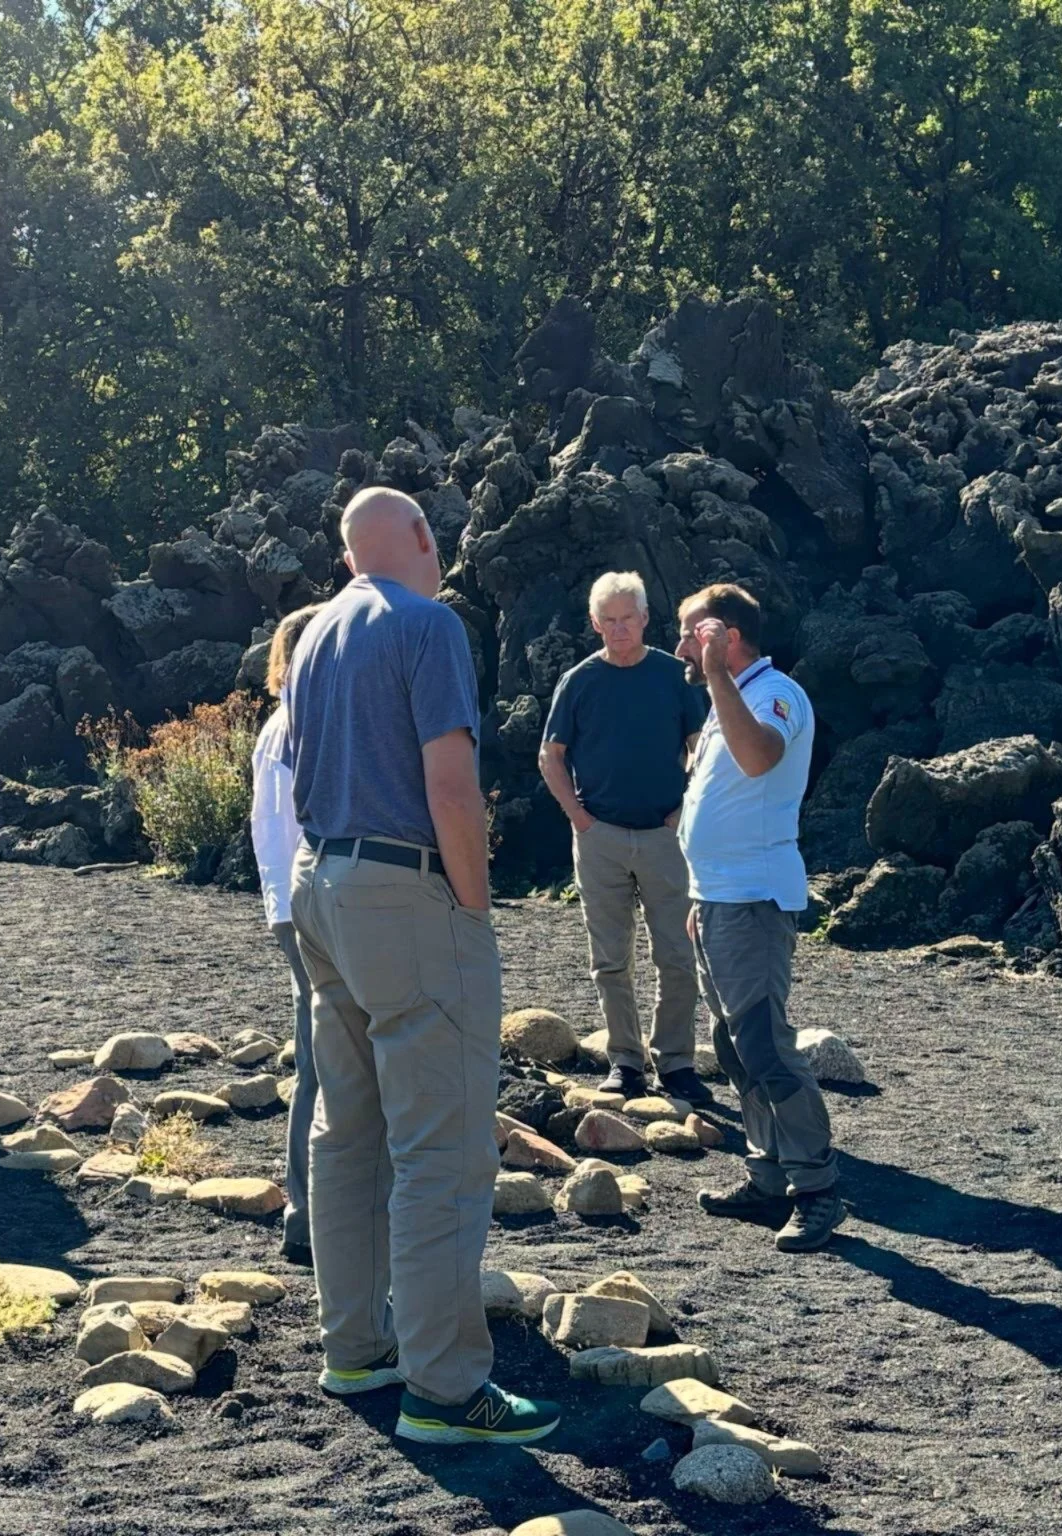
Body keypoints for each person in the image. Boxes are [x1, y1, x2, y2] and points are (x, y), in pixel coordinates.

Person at [284, 487, 562, 1446]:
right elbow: (451, 784)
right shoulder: (430, 625)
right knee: (442, 1152)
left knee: (346, 1129)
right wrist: (473, 908)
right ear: (422, 541)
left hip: (320, 883)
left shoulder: (316, 631)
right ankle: (446, 1390)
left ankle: (356, 1347)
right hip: (404, 892)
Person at [673, 582, 844, 1252]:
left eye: (692, 632)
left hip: (752, 900)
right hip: (718, 899)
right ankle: (768, 1172)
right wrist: (698, 894)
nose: (682, 646)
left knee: (767, 1046)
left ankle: (818, 1188)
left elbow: (759, 758)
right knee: (733, 1047)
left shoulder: (775, 695)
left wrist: (716, 676)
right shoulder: (727, 702)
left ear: (727, 635)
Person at [538, 570, 709, 1105]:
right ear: (595, 623)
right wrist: (578, 818)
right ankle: (626, 1062)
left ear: (643, 618)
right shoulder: (580, 680)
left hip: (665, 836)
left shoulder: (673, 676)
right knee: (610, 959)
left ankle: (677, 1063)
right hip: (601, 837)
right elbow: (550, 755)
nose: (618, 629)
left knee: (678, 954)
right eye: (607, 620)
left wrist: (681, 813)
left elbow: (704, 749)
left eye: (626, 618)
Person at [250, 602, 324, 1270]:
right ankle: (307, 1209)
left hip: (292, 901)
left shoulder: (281, 724)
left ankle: (309, 1210)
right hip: (311, 901)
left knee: (321, 1054)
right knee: (322, 1059)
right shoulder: (301, 724)